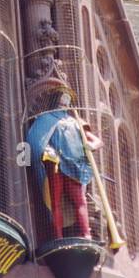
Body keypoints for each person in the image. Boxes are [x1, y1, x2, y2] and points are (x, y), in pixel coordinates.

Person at [26, 88, 101, 241]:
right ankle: (58, 237)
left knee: (80, 201)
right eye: (61, 100)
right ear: (56, 101)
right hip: (56, 165)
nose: (64, 103)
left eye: (66, 101)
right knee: (55, 201)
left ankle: (86, 234)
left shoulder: (76, 123)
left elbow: (97, 141)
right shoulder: (46, 118)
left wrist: (92, 145)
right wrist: (46, 150)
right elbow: (36, 141)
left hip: (75, 166)